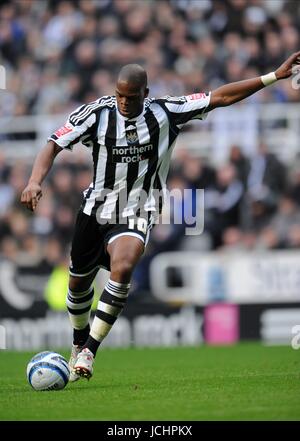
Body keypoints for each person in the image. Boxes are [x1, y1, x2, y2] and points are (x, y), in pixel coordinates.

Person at [21, 53, 300, 381]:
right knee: (78, 284)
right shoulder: (95, 114)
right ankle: (78, 340)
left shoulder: (167, 111)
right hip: (95, 210)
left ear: (146, 92)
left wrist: (273, 76)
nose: (124, 102)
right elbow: (52, 144)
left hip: (140, 208)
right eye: (120, 95)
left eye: (132, 96)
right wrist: (34, 181)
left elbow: (220, 96)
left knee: (123, 266)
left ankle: (90, 351)